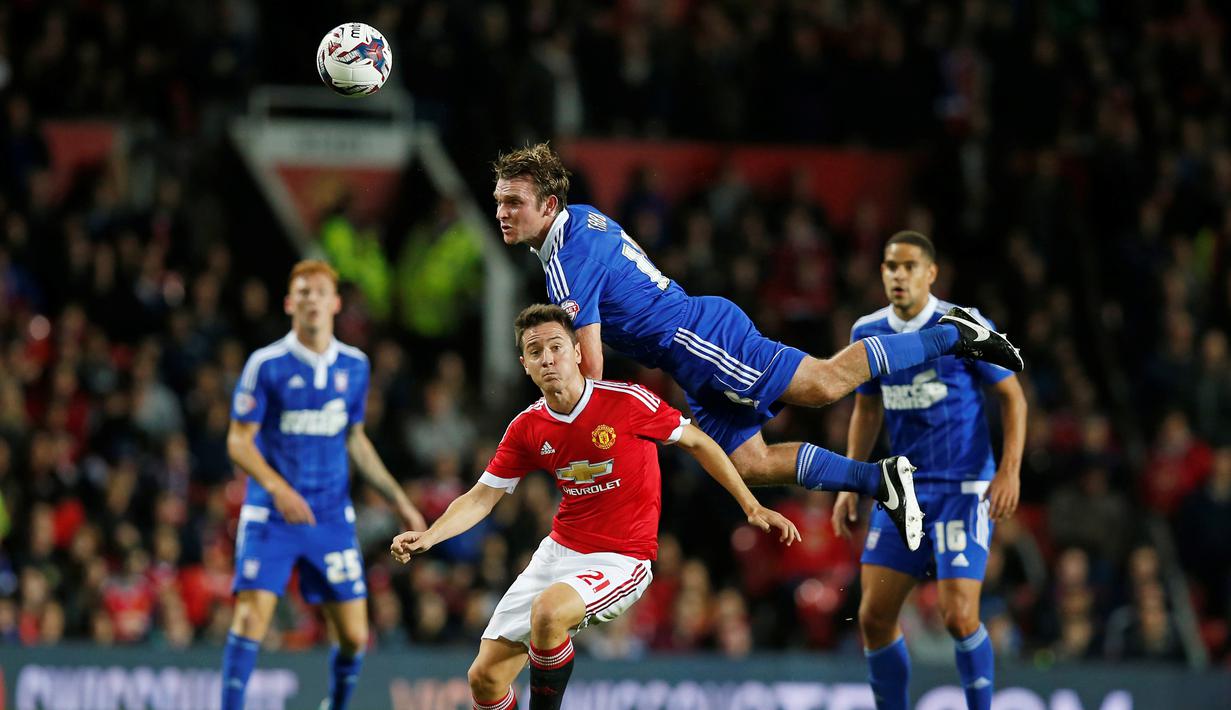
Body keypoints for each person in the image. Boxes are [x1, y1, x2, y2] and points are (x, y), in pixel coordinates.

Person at [491, 143, 1023, 550]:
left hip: (699, 339)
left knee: (823, 384)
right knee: (749, 462)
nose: (503, 212)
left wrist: (590, 432)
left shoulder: (568, 256)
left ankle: (955, 333)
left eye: (515, 202)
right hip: (686, 355)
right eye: (499, 202)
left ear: (548, 203)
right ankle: (881, 478)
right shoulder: (580, 221)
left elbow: (592, 361)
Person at [390, 303, 802, 710]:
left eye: (555, 346)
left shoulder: (626, 402)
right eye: (535, 352)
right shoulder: (527, 427)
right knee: (484, 680)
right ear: (525, 365)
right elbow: (482, 496)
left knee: (549, 613)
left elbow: (697, 441)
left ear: (577, 352)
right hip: (559, 552)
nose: (547, 358)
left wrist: (750, 505)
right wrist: (430, 536)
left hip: (622, 558)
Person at [832, 232, 1027, 710]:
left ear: (931, 273)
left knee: (958, 614)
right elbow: (867, 409)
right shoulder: (867, 331)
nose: (898, 275)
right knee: (873, 617)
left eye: (909, 266)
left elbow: (1012, 397)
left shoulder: (965, 325)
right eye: (890, 266)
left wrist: (1009, 472)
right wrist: (852, 480)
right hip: (903, 490)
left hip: (964, 485)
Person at [221, 260, 426, 710]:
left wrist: (400, 502)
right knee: (251, 617)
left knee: (355, 635)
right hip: (272, 514)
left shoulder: (355, 366)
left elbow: (355, 439)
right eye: (303, 292)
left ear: (335, 303)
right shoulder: (267, 364)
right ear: (290, 303)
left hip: (330, 516)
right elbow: (238, 442)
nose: (311, 299)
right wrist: (278, 488)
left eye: (319, 291)